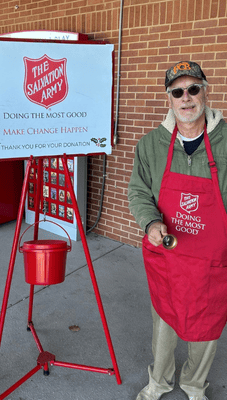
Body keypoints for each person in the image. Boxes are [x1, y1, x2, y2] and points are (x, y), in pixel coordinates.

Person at [128, 61, 227, 400]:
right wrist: (151, 222)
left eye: (193, 89)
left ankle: (195, 384)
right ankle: (159, 381)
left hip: (213, 260)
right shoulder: (150, 145)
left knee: (208, 327)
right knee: (165, 323)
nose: (186, 98)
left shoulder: (226, 141)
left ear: (205, 91)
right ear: (169, 98)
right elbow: (139, 192)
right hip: (168, 256)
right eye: (178, 91)